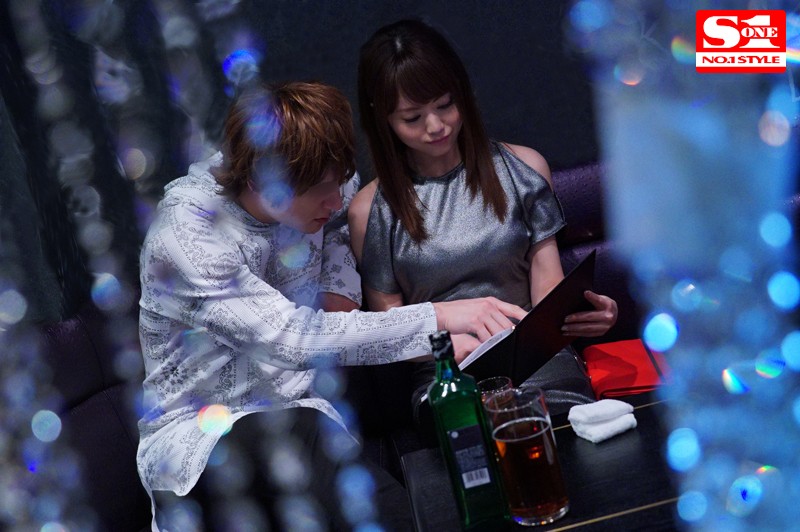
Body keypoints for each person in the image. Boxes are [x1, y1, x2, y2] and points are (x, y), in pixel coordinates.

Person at [136, 80, 526, 531]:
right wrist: (436, 319)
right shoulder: (187, 234)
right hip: (204, 434)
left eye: (339, 181)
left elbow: (339, 225)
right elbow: (289, 339)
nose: (336, 198)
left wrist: (339, 297)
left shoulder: (324, 182)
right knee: (300, 438)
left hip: (309, 416)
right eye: (322, 190)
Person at [349, 19, 619, 425]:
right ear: (383, 119)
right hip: (447, 374)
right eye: (413, 118)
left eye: (445, 105)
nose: (436, 126)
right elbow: (389, 329)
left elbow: (546, 288)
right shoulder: (371, 210)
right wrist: (444, 345)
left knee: (564, 426)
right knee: (468, 434)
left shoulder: (523, 169)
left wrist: (583, 313)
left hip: (536, 359)